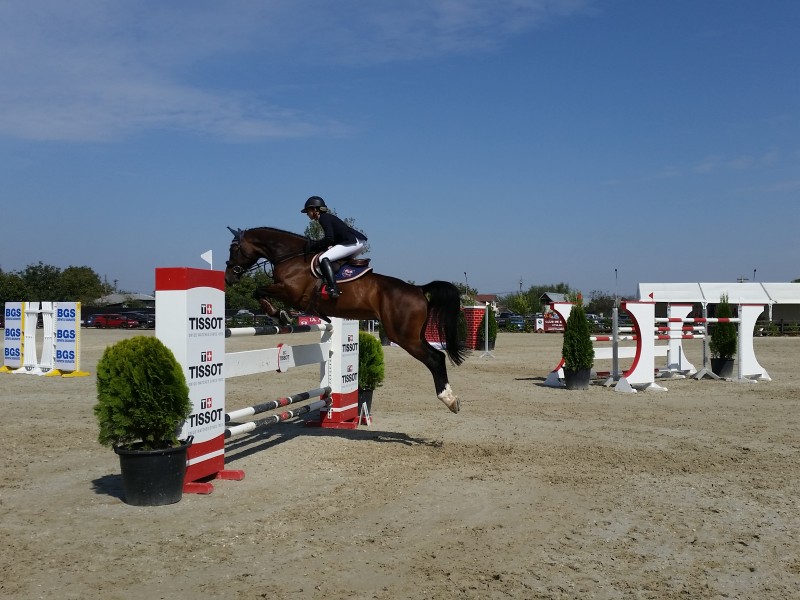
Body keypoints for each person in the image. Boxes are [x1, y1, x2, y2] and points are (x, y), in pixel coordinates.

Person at [301, 196, 367, 299]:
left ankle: (333, 288)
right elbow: (332, 239)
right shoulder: (326, 217)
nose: (307, 214)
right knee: (335, 260)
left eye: (308, 211)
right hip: (357, 242)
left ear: (315, 209)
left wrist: (314, 245)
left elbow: (329, 238)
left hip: (353, 242)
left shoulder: (323, 218)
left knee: (323, 258)